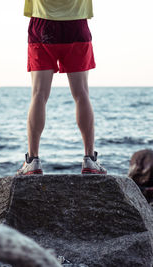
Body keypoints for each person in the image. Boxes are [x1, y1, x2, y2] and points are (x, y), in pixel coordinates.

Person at [17, 0, 107, 175]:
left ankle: (33, 161)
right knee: (81, 94)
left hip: (42, 25)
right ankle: (89, 159)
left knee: (39, 94)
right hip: (76, 24)